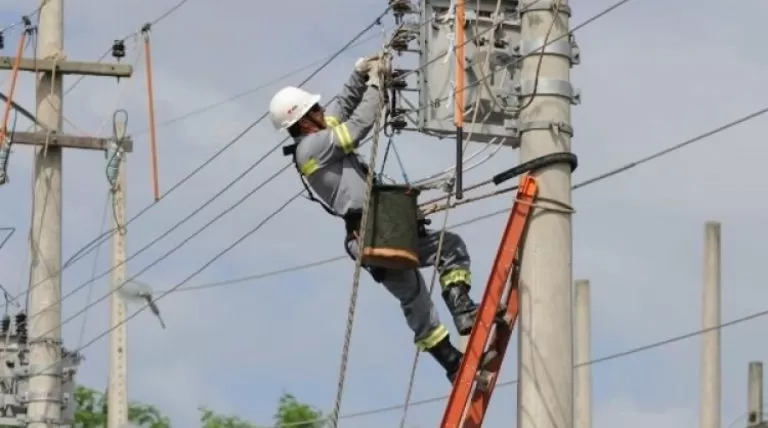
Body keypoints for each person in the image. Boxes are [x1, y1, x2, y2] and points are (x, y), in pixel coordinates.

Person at [268, 55, 481, 382]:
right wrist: (376, 85)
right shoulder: (311, 149)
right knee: (432, 271)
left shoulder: (317, 138)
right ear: (304, 120)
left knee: (428, 274)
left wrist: (359, 75)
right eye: (316, 109)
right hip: (373, 231)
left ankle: (457, 336)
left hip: (377, 229)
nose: (323, 111)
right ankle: (458, 336)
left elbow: (342, 111)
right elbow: (357, 125)